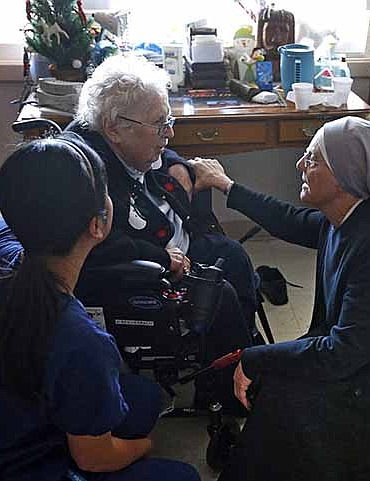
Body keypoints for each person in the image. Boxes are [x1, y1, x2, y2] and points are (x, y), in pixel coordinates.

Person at [189, 117, 370, 481]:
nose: (300, 165)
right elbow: (289, 220)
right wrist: (226, 185)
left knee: (285, 391)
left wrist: (254, 357)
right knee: (280, 383)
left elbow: (342, 353)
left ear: (342, 174)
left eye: (312, 160)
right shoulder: (345, 218)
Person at [0, 134, 200, 481]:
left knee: (143, 398)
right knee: (181, 475)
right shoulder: (80, 339)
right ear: (98, 225)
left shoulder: (2, 243)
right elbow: (95, 459)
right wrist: (143, 447)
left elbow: (40, 175)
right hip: (7, 470)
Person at [67, 55, 255, 411]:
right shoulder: (86, 175)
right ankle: (225, 393)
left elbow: (165, 153)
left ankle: (244, 356)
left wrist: (180, 166)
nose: (169, 133)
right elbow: (97, 244)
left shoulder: (125, 141)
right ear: (113, 127)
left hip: (176, 246)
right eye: (160, 125)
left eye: (168, 120)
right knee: (222, 295)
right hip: (146, 271)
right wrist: (160, 258)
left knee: (234, 256)